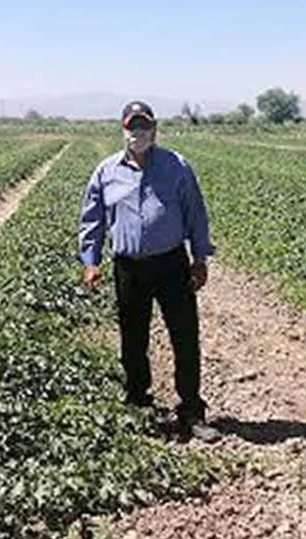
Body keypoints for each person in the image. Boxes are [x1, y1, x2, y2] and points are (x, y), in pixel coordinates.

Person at [78, 100, 218, 441]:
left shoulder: (176, 166)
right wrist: (91, 261)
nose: (138, 133)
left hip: (171, 263)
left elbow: (195, 212)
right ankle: (139, 404)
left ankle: (191, 411)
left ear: (154, 130)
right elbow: (92, 219)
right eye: (132, 127)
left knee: (184, 336)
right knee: (133, 338)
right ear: (123, 130)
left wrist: (200, 258)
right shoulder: (106, 171)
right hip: (129, 267)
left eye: (144, 126)